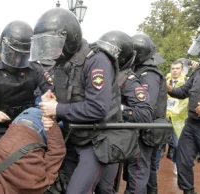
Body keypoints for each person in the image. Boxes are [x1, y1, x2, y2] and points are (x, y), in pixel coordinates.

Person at [35, 8, 122, 194]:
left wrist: (56, 109)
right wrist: (50, 98)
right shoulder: (61, 62)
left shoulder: (96, 60)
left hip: (96, 140)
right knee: (57, 185)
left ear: (67, 38)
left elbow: (98, 108)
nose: (50, 49)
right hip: (73, 136)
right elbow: (64, 92)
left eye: (53, 43)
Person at [0, 104, 66, 194]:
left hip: (44, 129)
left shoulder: (34, 186)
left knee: (64, 114)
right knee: (48, 102)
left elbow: (57, 152)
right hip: (24, 118)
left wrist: (51, 121)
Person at [94, 31, 153, 194]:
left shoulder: (127, 79)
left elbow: (145, 114)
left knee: (104, 187)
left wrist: (117, 108)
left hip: (111, 141)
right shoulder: (94, 71)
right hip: (88, 137)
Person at [167, 27, 200, 194]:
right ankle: (188, 191)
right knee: (182, 161)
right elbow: (183, 92)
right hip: (191, 124)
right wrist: (166, 87)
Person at [0, 20, 52, 143]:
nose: (17, 59)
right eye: (14, 53)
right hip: (1, 123)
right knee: (0, 153)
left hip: (28, 121)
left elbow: (50, 91)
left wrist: (48, 109)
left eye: (22, 55)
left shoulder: (35, 68)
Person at [130, 33, 168, 194]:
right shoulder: (147, 71)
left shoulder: (148, 75)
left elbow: (145, 105)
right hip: (151, 128)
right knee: (148, 167)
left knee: (138, 168)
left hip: (147, 128)